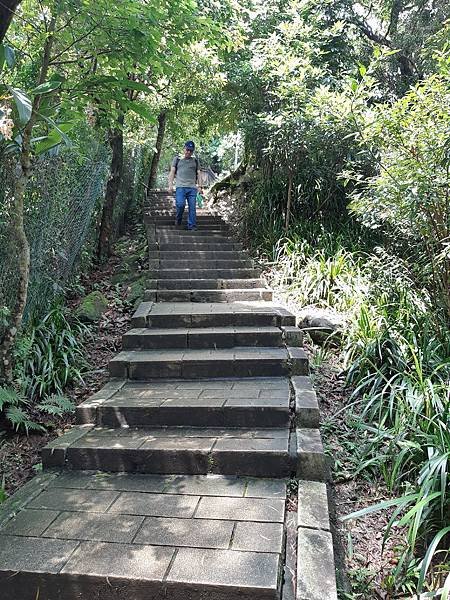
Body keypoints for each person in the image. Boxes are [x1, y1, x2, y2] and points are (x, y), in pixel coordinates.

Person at [168, 141, 202, 230]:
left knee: (192, 208)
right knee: (180, 204)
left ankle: (192, 226)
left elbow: (199, 174)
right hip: (180, 187)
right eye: (187, 150)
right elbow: (172, 172)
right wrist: (170, 185)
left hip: (192, 188)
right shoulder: (177, 159)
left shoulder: (195, 160)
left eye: (191, 151)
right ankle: (178, 219)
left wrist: (200, 186)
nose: (188, 152)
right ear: (184, 148)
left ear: (193, 151)